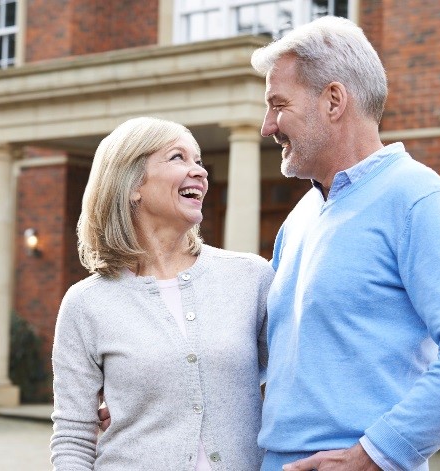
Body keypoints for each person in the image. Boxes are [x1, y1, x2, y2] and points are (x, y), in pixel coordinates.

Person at [251, 16, 440, 471]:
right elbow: (269, 365)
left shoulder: (418, 200)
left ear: (333, 100)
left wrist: (375, 455)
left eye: (278, 104)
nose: (267, 126)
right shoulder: (299, 218)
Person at [49, 116, 274, 470]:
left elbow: (295, 384)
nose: (199, 171)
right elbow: (74, 434)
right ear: (131, 183)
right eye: (178, 158)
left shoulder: (252, 277)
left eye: (199, 161)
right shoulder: (85, 304)